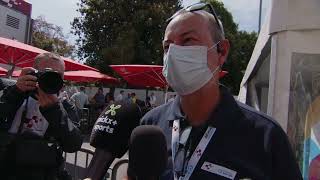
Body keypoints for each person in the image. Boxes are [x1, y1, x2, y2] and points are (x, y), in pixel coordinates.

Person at [141, 2, 302, 180]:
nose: (173, 53)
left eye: (187, 40)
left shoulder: (265, 137)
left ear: (222, 51)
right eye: (167, 46)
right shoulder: (150, 125)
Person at [0, 52, 82, 180]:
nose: (52, 78)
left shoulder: (65, 105)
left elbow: (73, 145)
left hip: (46, 173)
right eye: (46, 73)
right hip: (6, 169)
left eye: (58, 75)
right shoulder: (13, 90)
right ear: (34, 73)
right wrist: (15, 92)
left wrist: (55, 110)